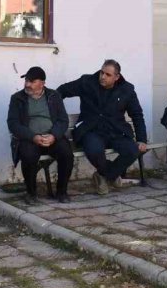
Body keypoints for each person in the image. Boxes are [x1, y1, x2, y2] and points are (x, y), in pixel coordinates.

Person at [57, 60, 148, 196]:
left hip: (116, 131)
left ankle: (103, 176)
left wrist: (142, 139)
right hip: (91, 130)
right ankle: (112, 175)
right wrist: (55, 111)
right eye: (102, 72)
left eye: (108, 75)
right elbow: (61, 91)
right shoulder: (87, 82)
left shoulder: (126, 89)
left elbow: (137, 114)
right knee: (94, 151)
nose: (103, 77)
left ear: (117, 77)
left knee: (133, 150)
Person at [6, 66, 73, 204]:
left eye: (32, 81)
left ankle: (62, 192)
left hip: (51, 138)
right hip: (30, 139)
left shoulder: (54, 96)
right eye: (26, 80)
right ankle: (31, 193)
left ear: (42, 83)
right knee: (28, 155)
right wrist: (33, 137)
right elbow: (13, 123)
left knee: (66, 154)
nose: (27, 84)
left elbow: (63, 120)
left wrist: (53, 135)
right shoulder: (17, 98)